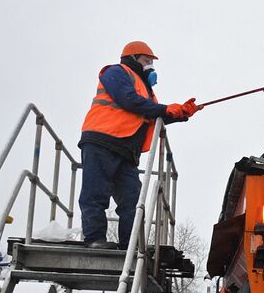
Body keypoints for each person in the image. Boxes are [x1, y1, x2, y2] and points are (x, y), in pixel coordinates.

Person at [78, 41, 198, 249]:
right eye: (146, 61)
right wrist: (164, 109)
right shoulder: (116, 72)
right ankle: (94, 239)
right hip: (102, 141)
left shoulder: (148, 92)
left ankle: (130, 245)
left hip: (126, 152)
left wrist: (180, 113)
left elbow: (151, 115)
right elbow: (128, 101)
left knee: (132, 202)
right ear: (132, 59)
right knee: (95, 194)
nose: (150, 66)